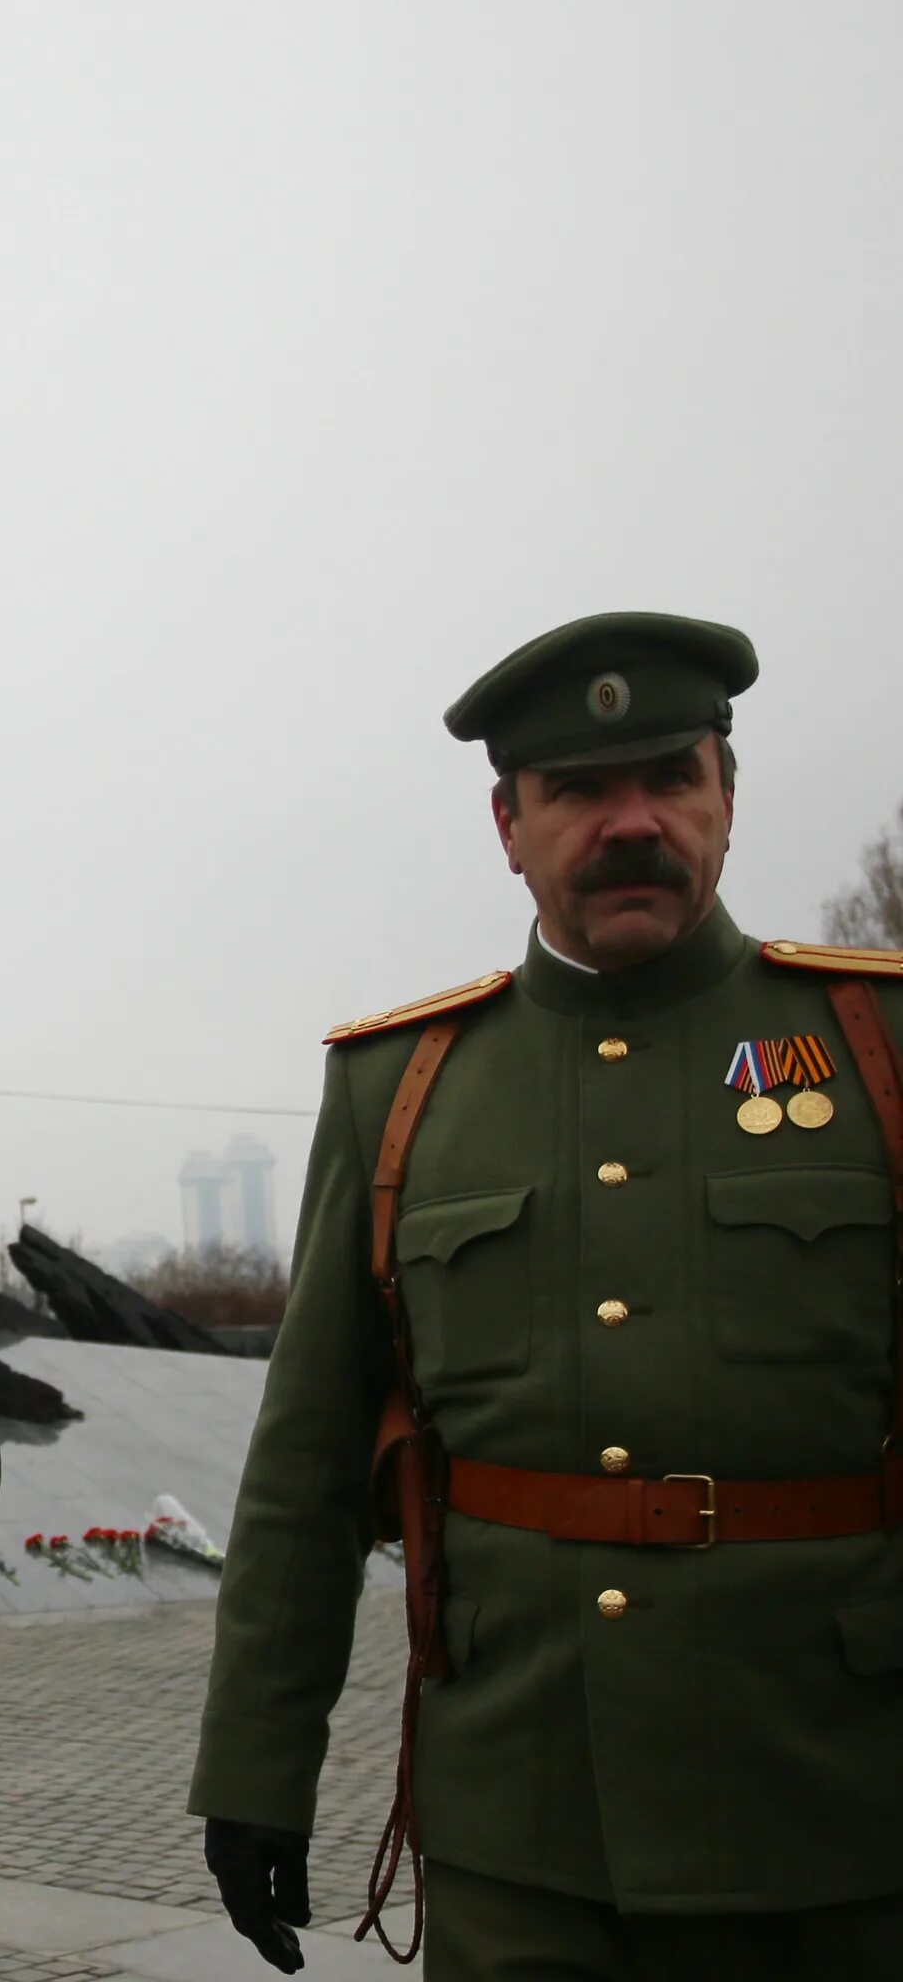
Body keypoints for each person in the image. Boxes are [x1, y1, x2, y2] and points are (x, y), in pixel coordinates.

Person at [190, 613, 903, 1980]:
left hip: (838, 1812)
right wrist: (257, 1769)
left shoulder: (872, 1045)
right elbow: (306, 1465)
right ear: (508, 825)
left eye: (669, 780)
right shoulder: (402, 1088)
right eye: (580, 790)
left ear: (729, 801)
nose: (631, 823)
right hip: (524, 1828)